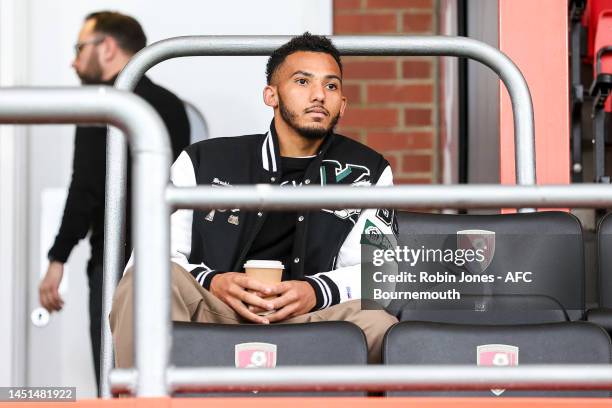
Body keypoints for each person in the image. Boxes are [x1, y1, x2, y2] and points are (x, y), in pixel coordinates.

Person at [110, 32, 399, 367]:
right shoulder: (204, 160)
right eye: (302, 81)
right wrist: (214, 282)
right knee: (146, 280)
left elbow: (381, 276)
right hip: (215, 316)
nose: (319, 95)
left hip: (311, 324)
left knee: (380, 325)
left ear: (343, 104)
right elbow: (150, 260)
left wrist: (314, 291)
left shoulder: (369, 170)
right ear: (271, 95)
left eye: (331, 86)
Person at [39, 11, 190, 391]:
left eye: (79, 48)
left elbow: (86, 188)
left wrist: (57, 258)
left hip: (114, 265)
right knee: (159, 378)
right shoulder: (171, 105)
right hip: (168, 265)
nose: (74, 61)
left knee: (113, 382)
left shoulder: (103, 103)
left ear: (106, 48)